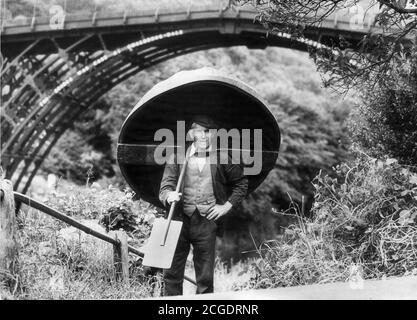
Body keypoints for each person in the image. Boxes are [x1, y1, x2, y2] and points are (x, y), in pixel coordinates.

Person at [159, 115, 248, 295]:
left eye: (207, 132)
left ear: (213, 134)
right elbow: (165, 187)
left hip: (207, 223)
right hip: (178, 221)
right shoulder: (177, 156)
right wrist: (170, 195)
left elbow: (241, 183)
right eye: (198, 131)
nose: (203, 136)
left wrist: (225, 207)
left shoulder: (222, 158)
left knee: (205, 280)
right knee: (172, 275)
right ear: (191, 133)